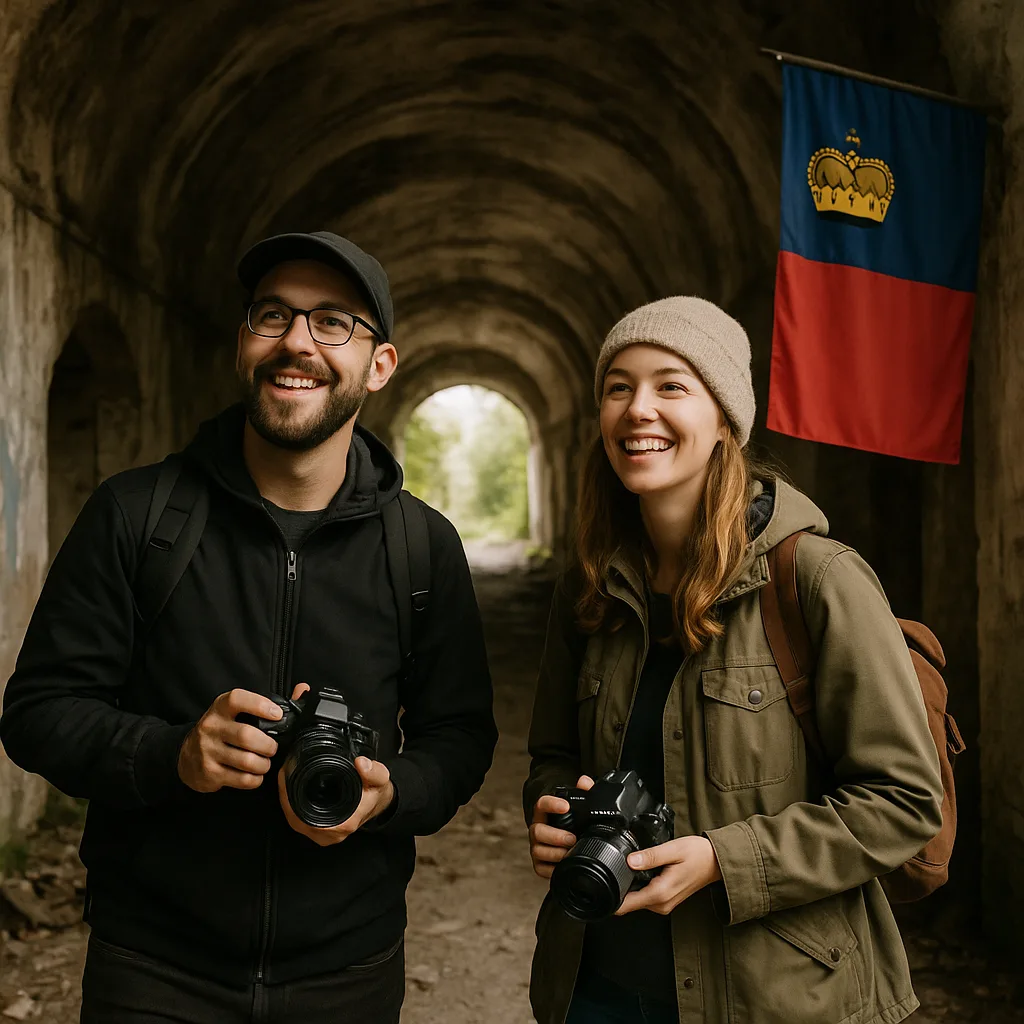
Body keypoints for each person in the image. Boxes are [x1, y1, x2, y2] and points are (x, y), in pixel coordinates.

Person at [1, 231, 497, 1023]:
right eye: (273, 315)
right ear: (244, 343)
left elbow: (462, 736)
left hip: (349, 967)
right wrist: (176, 755)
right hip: (153, 968)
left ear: (381, 365)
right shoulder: (137, 516)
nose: (296, 341)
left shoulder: (421, 547)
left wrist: (389, 791)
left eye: (332, 321)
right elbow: (36, 713)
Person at [523, 297, 944, 1024]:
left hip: (773, 997)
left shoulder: (816, 579)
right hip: (598, 985)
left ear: (725, 418)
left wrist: (726, 860)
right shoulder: (589, 588)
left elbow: (905, 802)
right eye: (618, 387)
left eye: (671, 386)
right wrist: (555, 809)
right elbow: (553, 753)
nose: (637, 410)